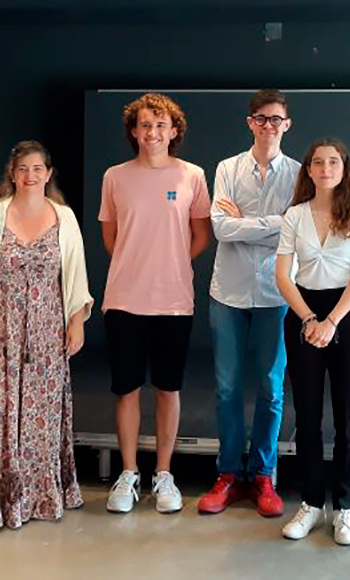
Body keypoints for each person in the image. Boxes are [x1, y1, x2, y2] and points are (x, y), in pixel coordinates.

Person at [0, 140, 94, 530]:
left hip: (48, 333)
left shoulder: (64, 218)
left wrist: (76, 320)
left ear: (48, 173)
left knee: (42, 415)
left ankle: (40, 494)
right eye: (23, 169)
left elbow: (76, 275)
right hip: (0, 328)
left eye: (37, 168)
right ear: (12, 174)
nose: (30, 176)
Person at [99, 93, 211, 514]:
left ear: (174, 131)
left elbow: (200, 235)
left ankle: (164, 474)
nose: (152, 132)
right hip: (124, 299)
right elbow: (111, 238)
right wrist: (137, 264)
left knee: (168, 388)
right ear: (134, 131)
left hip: (174, 301)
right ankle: (128, 474)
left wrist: (169, 264)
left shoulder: (192, 176)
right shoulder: (115, 177)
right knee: (126, 390)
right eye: (145, 125)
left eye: (161, 125)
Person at [198, 89, 299, 518]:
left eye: (276, 119)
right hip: (229, 292)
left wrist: (246, 222)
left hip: (277, 293)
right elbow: (220, 229)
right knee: (226, 389)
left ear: (286, 125)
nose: (268, 126)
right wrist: (268, 225)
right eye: (261, 118)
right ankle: (228, 474)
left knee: (271, 389)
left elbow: (294, 229)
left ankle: (263, 475)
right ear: (249, 123)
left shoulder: (298, 175)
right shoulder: (226, 168)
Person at [276, 138, 350, 546]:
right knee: (309, 417)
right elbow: (283, 275)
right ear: (309, 170)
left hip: (346, 318)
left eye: (333, 161)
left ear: (344, 168)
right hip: (304, 315)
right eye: (318, 162)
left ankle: (345, 507)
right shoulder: (295, 215)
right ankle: (312, 503)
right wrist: (310, 319)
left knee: (347, 416)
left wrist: (331, 321)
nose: (325, 168)